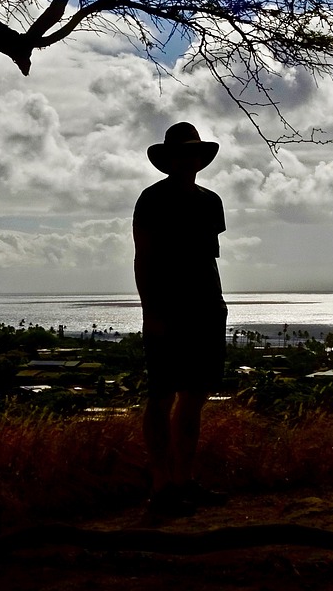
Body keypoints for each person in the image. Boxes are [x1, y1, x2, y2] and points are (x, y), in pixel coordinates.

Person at [133, 121, 229, 518]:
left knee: (194, 397)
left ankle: (183, 481)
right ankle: (161, 484)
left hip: (207, 306)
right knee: (161, 396)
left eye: (192, 153)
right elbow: (144, 257)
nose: (186, 160)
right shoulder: (152, 199)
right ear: (169, 159)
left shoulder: (211, 201)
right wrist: (150, 311)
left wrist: (218, 306)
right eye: (180, 153)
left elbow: (208, 257)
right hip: (167, 309)